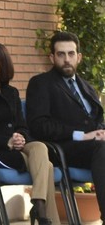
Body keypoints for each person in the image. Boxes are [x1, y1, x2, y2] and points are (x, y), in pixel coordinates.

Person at [0, 43, 59, 225]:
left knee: (39, 146)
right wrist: (6, 141)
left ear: (3, 63)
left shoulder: (12, 92)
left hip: (16, 146)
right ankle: (42, 210)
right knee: (46, 166)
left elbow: (22, 125)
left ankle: (39, 205)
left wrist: (20, 136)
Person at [26, 31, 105, 223]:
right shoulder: (40, 84)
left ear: (79, 57)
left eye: (71, 54)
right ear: (52, 57)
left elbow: (96, 120)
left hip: (93, 148)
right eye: (61, 54)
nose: (67, 59)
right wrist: (81, 135)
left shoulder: (87, 87)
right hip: (62, 148)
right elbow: (39, 125)